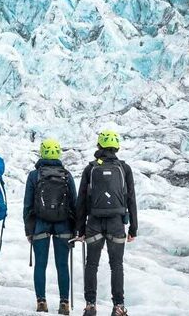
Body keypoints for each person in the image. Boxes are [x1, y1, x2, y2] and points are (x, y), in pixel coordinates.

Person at [74, 129, 138, 316]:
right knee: (116, 265)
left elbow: (81, 201)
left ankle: (90, 305)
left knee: (91, 264)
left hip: (94, 222)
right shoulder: (124, 169)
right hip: (117, 223)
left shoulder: (91, 168)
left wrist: (79, 229)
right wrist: (133, 228)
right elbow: (131, 199)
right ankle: (118, 306)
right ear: (116, 147)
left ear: (99, 145)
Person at [24, 139, 78, 314]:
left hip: (40, 225)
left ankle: (41, 302)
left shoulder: (34, 175)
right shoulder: (66, 175)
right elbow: (74, 203)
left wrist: (29, 230)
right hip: (63, 226)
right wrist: (76, 229)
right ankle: (64, 303)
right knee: (62, 265)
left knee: (41, 264)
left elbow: (28, 205)